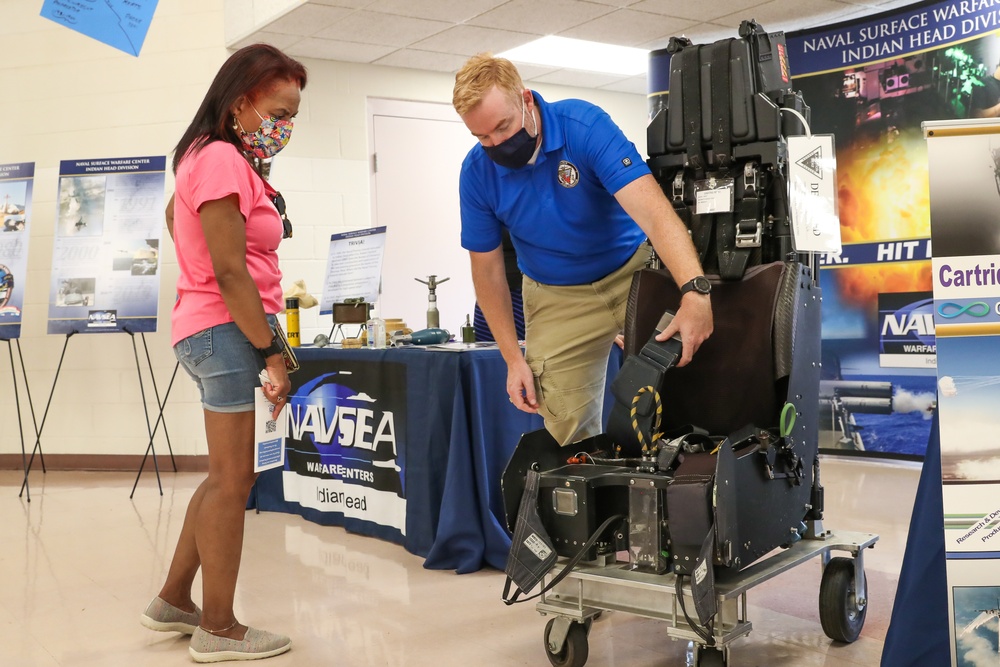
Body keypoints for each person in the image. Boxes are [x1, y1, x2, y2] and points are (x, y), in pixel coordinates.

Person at [138, 44, 305, 663]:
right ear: (241, 103)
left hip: (221, 327)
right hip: (228, 329)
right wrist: (272, 352)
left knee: (222, 478)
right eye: (278, 111)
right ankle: (219, 627)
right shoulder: (220, 161)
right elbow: (232, 273)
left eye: (294, 115)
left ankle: (174, 600)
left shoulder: (212, 159)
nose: (285, 126)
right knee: (235, 483)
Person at [452, 54, 713, 447]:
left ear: (525, 99)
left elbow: (656, 215)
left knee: (683, 386)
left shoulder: (583, 127)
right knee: (564, 421)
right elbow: (487, 272)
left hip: (631, 271)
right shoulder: (477, 173)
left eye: (503, 127)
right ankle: (599, 500)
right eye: (482, 137)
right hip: (556, 294)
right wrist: (512, 359)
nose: (497, 144)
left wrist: (695, 291)